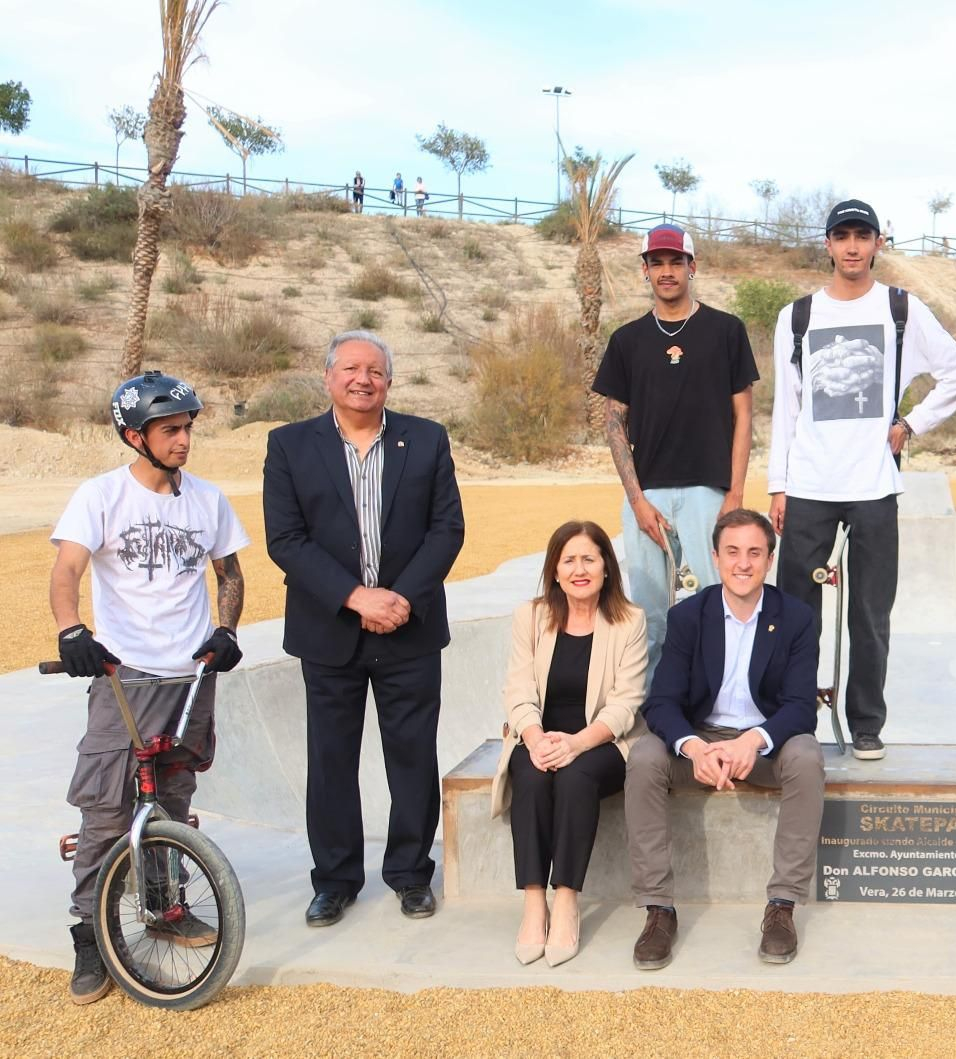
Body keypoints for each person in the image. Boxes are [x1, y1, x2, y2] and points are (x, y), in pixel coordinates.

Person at [49, 371, 248, 1005]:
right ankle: (90, 933)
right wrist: (71, 630)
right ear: (136, 435)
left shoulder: (208, 500)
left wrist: (226, 630)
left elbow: (230, 571)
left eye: (188, 427)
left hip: (189, 676)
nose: (184, 439)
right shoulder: (100, 496)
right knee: (106, 808)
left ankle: (165, 909)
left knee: (170, 796)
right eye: (171, 430)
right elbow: (66, 570)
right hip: (123, 676)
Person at [263, 329, 465, 928]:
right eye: (350, 368)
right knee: (330, 762)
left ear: (389, 382)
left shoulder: (425, 440)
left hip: (409, 629)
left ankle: (409, 874)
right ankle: (335, 880)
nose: (363, 379)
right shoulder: (290, 445)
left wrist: (399, 597)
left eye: (375, 370)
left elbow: (446, 530)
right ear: (328, 377)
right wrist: (355, 598)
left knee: (411, 757)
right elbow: (286, 540)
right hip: (329, 632)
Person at [767, 198, 956, 760]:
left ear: (878, 243)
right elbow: (788, 407)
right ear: (827, 245)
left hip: (875, 487)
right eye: (842, 236)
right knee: (795, 611)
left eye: (863, 235)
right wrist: (779, 485)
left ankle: (867, 723)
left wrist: (911, 423)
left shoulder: (901, 309)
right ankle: (795, 716)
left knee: (870, 614)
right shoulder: (798, 316)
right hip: (809, 486)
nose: (852, 246)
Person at [625, 510, 823, 969]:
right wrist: (693, 747)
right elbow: (662, 702)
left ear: (769, 560)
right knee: (645, 757)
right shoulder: (688, 617)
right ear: (715, 558)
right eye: (732, 552)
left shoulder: (796, 618)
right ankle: (658, 909)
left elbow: (798, 706)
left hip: (763, 746)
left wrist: (751, 741)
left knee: (808, 758)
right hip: (702, 743)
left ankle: (782, 906)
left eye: (755, 552)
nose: (743, 563)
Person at [593, 223, 758, 673]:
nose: (667, 272)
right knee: (649, 616)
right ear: (645, 270)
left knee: (716, 607)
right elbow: (613, 423)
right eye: (657, 263)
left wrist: (735, 494)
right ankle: (650, 717)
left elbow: (744, 415)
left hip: (710, 491)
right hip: (649, 496)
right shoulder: (627, 341)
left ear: (692, 266)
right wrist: (637, 500)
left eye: (676, 262)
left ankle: (715, 710)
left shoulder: (726, 330)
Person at [489, 521, 646, 967]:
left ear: (606, 568)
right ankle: (533, 901)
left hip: (600, 742)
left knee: (575, 778)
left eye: (589, 559)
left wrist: (576, 744)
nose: (580, 569)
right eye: (569, 561)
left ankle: (566, 900)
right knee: (534, 778)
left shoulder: (629, 620)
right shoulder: (531, 616)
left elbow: (625, 704)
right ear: (554, 571)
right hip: (538, 736)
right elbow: (517, 690)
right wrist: (536, 740)